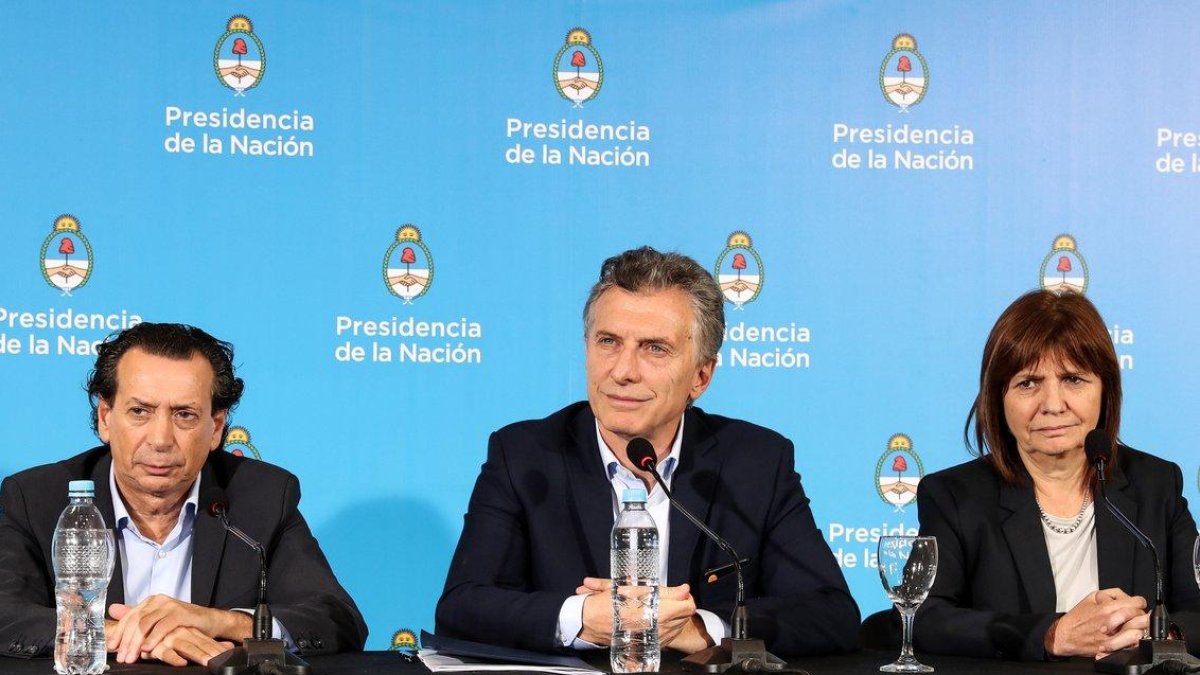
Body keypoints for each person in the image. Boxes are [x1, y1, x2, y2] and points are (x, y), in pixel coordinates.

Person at [436, 246, 859, 656]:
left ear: (701, 375)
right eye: (608, 342)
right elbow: (461, 607)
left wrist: (702, 628)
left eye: (654, 348)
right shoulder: (526, 456)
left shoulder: (756, 462)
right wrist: (583, 617)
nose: (622, 371)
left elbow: (831, 613)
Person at [0, 323, 367, 666]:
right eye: (140, 411)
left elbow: (335, 618)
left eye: (185, 415)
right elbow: (5, 613)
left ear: (216, 428)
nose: (160, 440)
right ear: (106, 418)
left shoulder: (263, 497)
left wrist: (220, 622)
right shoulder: (38, 498)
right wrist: (115, 634)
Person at [912, 290, 1200, 660]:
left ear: (1105, 390)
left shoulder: (1156, 483)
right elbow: (922, 618)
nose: (1052, 405)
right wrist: (1049, 635)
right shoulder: (954, 495)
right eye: (1028, 383)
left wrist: (1157, 631)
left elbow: (1197, 611)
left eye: (1073, 380)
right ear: (997, 398)